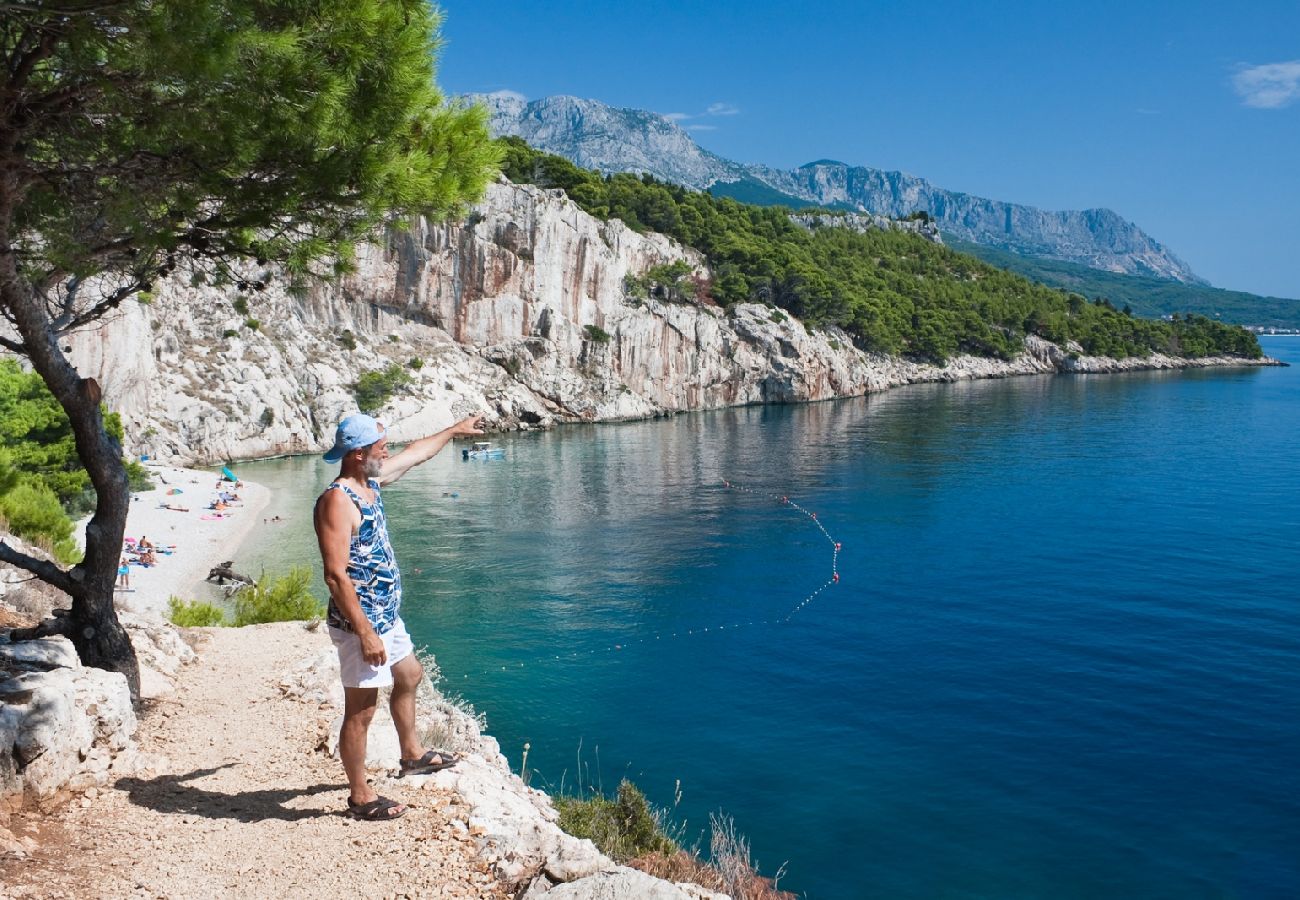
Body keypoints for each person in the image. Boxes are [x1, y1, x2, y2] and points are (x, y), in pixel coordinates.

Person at [314, 411, 484, 821]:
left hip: (387, 615)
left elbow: (414, 454)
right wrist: (366, 633)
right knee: (361, 710)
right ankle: (360, 797)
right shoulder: (337, 501)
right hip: (363, 624)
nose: (386, 450)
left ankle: (413, 754)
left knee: (409, 675)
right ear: (357, 454)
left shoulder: (369, 481)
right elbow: (336, 576)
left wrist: (454, 429)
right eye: (379, 446)